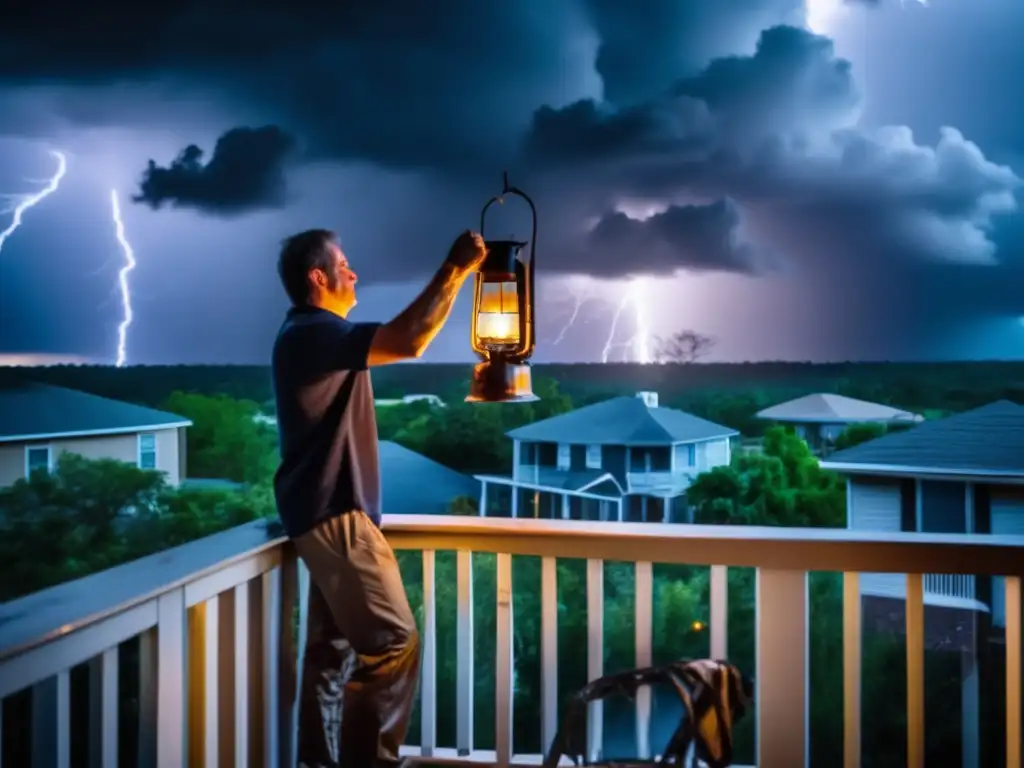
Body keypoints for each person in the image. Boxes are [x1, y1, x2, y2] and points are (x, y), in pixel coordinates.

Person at [271, 228, 487, 768]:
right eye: (343, 264)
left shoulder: (314, 335)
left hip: (320, 514)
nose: (354, 272)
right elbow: (410, 339)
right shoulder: (312, 332)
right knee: (395, 643)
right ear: (318, 278)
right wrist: (455, 268)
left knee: (331, 654)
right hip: (335, 515)